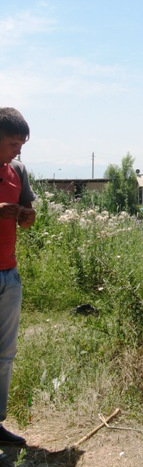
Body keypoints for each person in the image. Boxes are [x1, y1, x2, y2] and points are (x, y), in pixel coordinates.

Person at [0, 108, 36, 446]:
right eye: (13, 144)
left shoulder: (17, 171)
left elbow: (27, 216)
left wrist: (26, 217)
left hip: (8, 274)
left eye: (22, 145)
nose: (18, 151)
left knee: (4, 354)